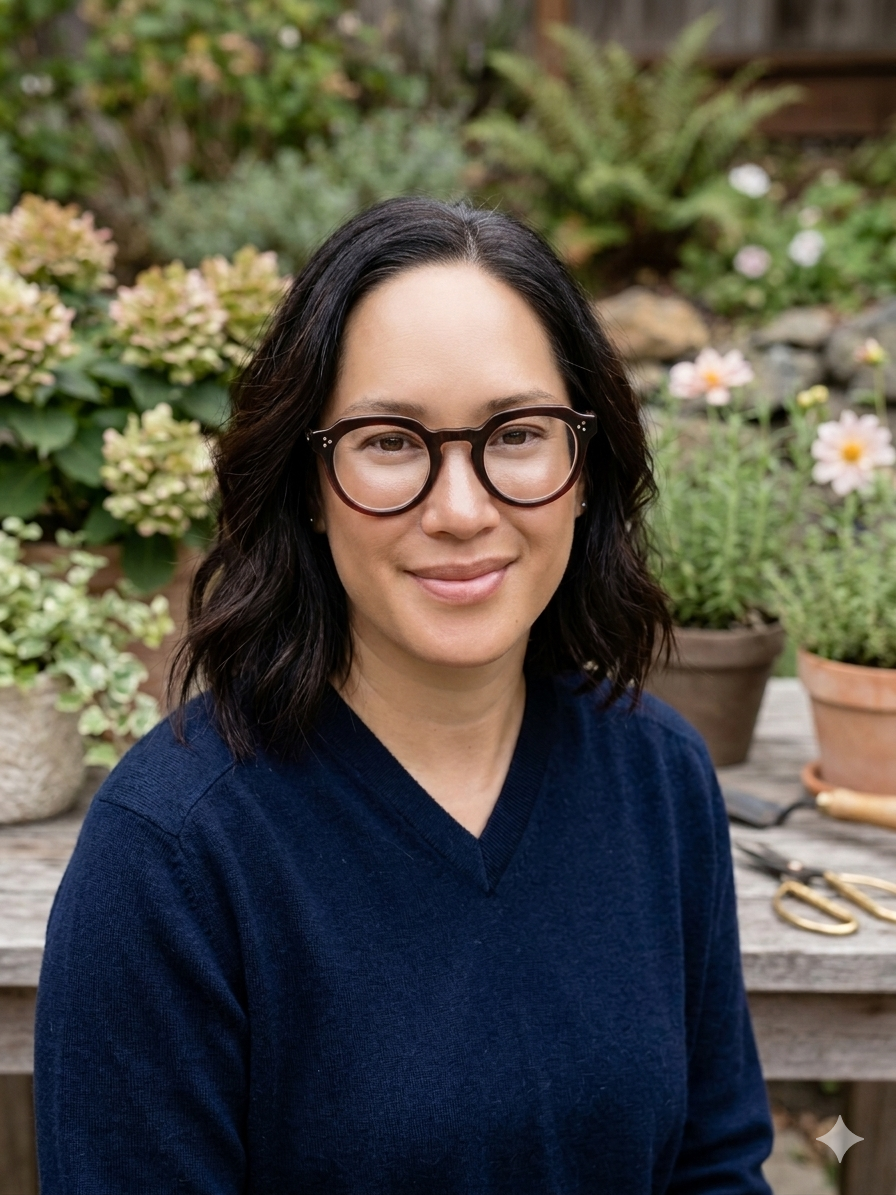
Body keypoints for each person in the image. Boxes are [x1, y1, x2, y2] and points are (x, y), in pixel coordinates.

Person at [34, 198, 774, 1193]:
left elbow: (715, 1165)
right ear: (307, 482)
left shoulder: (659, 775)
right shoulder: (171, 854)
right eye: (389, 441)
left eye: (517, 433)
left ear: (585, 468)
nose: (461, 510)